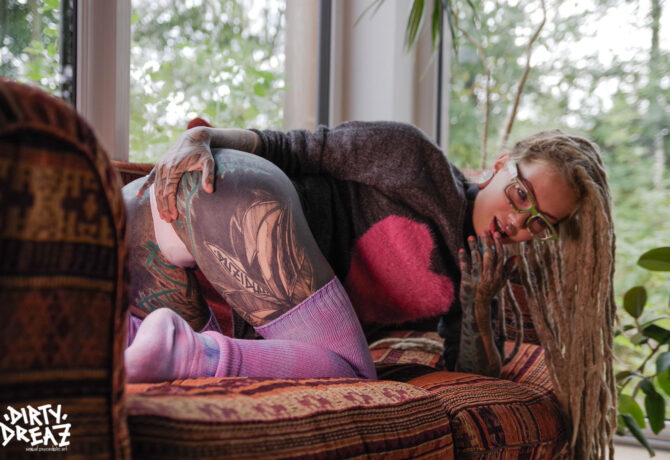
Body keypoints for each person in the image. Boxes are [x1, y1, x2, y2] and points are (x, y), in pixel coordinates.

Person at [123, 120, 615, 460]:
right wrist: (200, 137)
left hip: (153, 235)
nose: (517, 222)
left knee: (151, 365)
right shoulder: (412, 156)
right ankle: (181, 349)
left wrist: (478, 302)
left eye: (540, 223)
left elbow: (469, 376)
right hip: (218, 193)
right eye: (520, 194)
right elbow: (290, 146)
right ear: (500, 163)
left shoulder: (480, 272)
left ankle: (135, 336)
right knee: (352, 374)